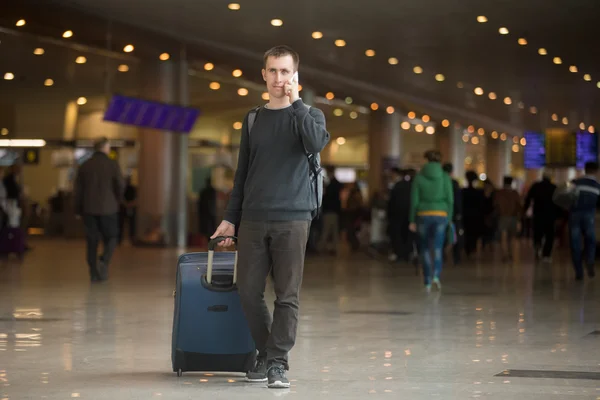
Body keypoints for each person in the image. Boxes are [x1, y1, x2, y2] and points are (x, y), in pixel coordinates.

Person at [210, 45, 330, 389]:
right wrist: (231, 217)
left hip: (293, 217)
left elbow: (314, 143)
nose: (279, 78)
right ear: (263, 74)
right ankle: (267, 351)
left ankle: (276, 362)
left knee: (286, 294)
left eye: (285, 72)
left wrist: (296, 104)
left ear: (296, 76)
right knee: (247, 291)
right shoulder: (253, 119)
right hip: (253, 217)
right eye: (273, 71)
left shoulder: (310, 115)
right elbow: (242, 172)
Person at [74, 137, 124, 282]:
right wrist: (118, 200)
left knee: (92, 240)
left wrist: (78, 209)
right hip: (109, 208)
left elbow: (78, 190)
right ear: (105, 147)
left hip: (88, 209)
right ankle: (104, 259)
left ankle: (93, 271)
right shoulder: (112, 164)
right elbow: (120, 185)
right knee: (112, 236)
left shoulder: (84, 165)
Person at [409, 150, 453, 291]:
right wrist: (449, 218)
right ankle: (436, 275)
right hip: (441, 215)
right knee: (438, 247)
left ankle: (427, 279)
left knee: (425, 248)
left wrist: (412, 220)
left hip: (422, 214)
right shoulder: (445, 177)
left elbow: (414, 201)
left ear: (426, 160)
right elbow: (450, 200)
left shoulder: (419, 177)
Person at [569, 162, 600, 280]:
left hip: (575, 215)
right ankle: (590, 260)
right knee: (591, 239)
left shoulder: (575, 183)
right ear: (596, 171)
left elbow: (566, 198)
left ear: (585, 170)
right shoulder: (597, 186)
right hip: (589, 215)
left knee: (575, 243)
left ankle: (579, 272)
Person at [523, 173, 558, 261]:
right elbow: (558, 203)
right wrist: (559, 215)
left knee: (538, 233)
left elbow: (528, 198)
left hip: (538, 214)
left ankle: (537, 248)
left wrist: (524, 210)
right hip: (550, 215)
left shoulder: (536, 186)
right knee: (549, 235)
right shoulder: (554, 187)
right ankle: (546, 254)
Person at [494, 176, 522, 262]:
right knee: (512, 238)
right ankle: (511, 254)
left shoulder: (499, 193)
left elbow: (495, 205)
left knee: (503, 237)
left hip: (503, 217)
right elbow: (519, 207)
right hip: (513, 217)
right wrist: (519, 219)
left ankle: (505, 255)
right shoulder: (514, 193)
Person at [319, 166, 342, 254]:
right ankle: (334, 248)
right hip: (335, 211)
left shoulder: (332, 184)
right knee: (334, 231)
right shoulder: (335, 184)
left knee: (326, 230)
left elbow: (328, 198)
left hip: (329, 211)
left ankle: (322, 247)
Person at [442, 163, 463, 265]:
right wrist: (459, 213)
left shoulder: (440, 182)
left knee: (442, 234)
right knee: (454, 235)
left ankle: (443, 253)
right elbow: (457, 200)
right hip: (453, 214)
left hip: (441, 213)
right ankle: (455, 257)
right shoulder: (454, 183)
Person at [462, 171, 484, 258]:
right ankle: (472, 247)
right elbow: (482, 206)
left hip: (466, 215)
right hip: (476, 216)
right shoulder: (479, 192)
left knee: (467, 232)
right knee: (474, 232)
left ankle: (468, 248)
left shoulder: (463, 192)